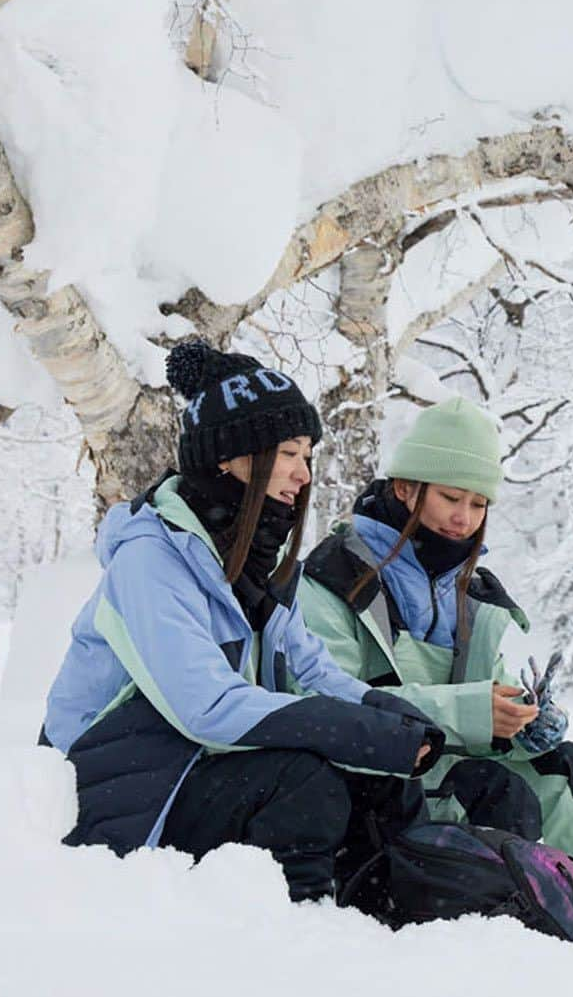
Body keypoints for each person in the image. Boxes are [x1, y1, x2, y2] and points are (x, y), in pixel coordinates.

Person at [42, 340, 440, 902]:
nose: (304, 474)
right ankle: (292, 936)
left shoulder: (261, 559)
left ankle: (395, 923)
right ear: (230, 458)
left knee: (377, 778)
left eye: (307, 455)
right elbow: (204, 704)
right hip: (116, 778)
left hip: (191, 762)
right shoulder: (152, 559)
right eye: (289, 453)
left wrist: (379, 712)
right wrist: (340, 727)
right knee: (301, 781)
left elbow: (311, 669)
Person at [300, 396, 573, 937]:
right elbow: (326, 707)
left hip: (450, 770)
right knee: (494, 791)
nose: (464, 519)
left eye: (479, 504)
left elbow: (486, 712)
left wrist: (523, 727)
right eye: (451, 498)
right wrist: (469, 712)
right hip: (377, 786)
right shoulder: (332, 581)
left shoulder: (473, 596)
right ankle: (529, 943)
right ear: (406, 488)